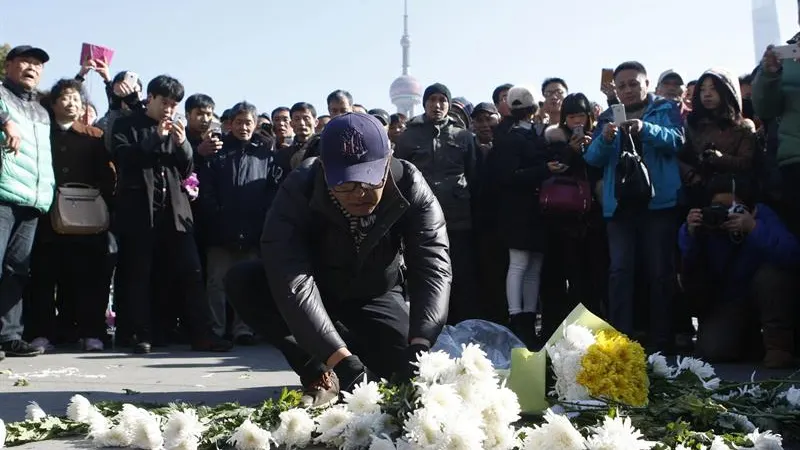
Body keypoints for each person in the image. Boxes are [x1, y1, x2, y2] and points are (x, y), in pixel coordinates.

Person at [224, 113, 451, 407]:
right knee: (244, 280)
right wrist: (338, 360)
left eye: (370, 181)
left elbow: (432, 266)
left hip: (376, 294)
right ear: (324, 169)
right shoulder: (300, 187)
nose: (359, 194)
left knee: (402, 374)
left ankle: (355, 355)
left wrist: (420, 342)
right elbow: (290, 277)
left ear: (388, 160)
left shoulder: (410, 184)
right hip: (318, 290)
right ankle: (319, 372)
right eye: (344, 184)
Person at [111, 75, 232, 354]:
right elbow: (124, 158)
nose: (168, 110)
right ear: (150, 98)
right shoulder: (126, 124)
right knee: (139, 275)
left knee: (191, 272)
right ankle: (140, 334)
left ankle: (202, 334)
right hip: (139, 212)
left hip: (176, 213)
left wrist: (182, 144)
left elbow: (188, 168)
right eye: (164, 103)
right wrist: (156, 137)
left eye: (173, 104)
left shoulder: (178, 130)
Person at [584, 61, 684, 352]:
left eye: (633, 83)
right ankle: (620, 343)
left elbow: (678, 141)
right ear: (615, 88)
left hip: (659, 204)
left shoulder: (665, 110)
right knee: (619, 273)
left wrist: (645, 129)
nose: (628, 90)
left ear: (647, 84)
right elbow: (592, 159)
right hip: (621, 207)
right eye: (622, 85)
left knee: (660, 273)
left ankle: (663, 343)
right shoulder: (608, 116)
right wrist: (604, 140)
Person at [680, 175, 798, 368]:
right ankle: (750, 343)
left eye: (730, 207)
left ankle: (779, 347)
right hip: (729, 299)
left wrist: (753, 228)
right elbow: (688, 262)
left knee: (772, 275)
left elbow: (791, 253)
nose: (724, 213)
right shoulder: (706, 224)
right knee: (713, 350)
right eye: (718, 206)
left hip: (763, 292)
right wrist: (690, 232)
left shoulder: (762, 216)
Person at [0, 45, 57, 359]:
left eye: (37, 64)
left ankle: (9, 336)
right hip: (3, 192)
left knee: (16, 270)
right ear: (9, 65)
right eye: (25, 61)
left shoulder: (41, 109)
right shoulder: (2, 96)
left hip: (33, 199)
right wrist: (5, 120)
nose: (32, 68)